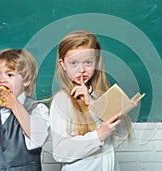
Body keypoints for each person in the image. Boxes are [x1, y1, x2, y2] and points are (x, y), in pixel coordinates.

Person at [50, 30, 132, 171]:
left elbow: (123, 131)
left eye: (88, 62)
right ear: (63, 64)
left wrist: (94, 105)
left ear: (97, 62)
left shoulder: (102, 96)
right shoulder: (61, 100)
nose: (81, 70)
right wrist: (99, 135)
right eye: (73, 63)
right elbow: (60, 152)